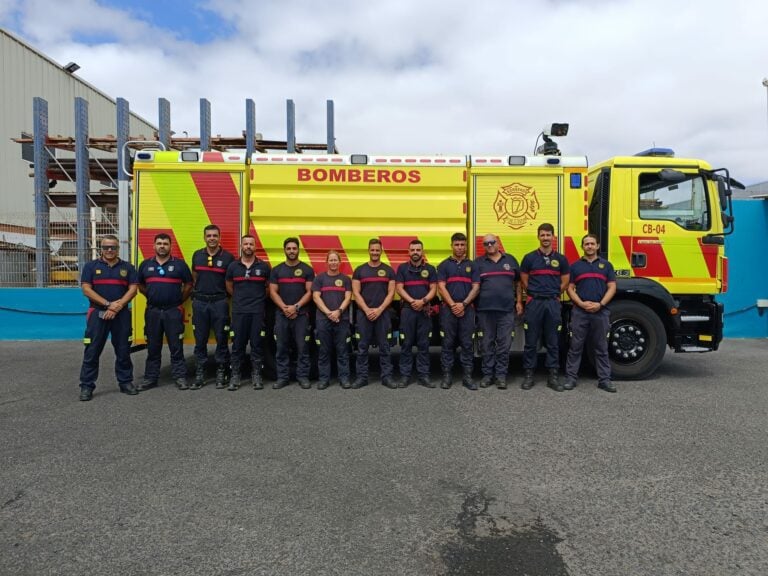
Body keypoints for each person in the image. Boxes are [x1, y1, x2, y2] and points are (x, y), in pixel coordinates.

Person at [77, 235, 139, 401]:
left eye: (113, 247)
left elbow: (133, 289)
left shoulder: (128, 268)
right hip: (97, 313)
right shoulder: (90, 267)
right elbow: (86, 289)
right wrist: (108, 304)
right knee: (92, 351)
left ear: (118, 248)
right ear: (101, 249)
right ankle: (86, 386)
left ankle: (125, 382)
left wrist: (118, 306)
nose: (109, 250)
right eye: (106, 247)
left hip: (121, 314)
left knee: (123, 350)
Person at [137, 233, 193, 391]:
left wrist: (178, 300)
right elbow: (140, 285)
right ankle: (150, 378)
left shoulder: (180, 265)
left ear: (170, 246)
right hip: (153, 311)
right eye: (159, 243)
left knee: (176, 346)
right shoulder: (145, 265)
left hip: (173, 311)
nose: (162, 246)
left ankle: (180, 377)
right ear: (154, 246)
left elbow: (189, 284)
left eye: (165, 244)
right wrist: (151, 295)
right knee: (153, 347)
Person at [520, 223, 570, 391]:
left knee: (553, 341)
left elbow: (565, 281)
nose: (545, 238)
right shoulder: (529, 258)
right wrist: (533, 292)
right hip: (534, 303)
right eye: (542, 235)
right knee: (531, 342)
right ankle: (529, 375)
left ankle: (553, 376)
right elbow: (524, 279)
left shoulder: (561, 259)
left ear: (553, 237)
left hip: (552, 303)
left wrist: (554, 293)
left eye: (548, 235)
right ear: (538, 237)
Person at [565, 234, 617, 392]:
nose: (589, 246)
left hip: (600, 312)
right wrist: (580, 303)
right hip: (580, 312)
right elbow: (569, 288)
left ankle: (604, 380)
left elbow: (612, 287)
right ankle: (571, 379)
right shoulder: (575, 266)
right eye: (586, 244)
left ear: (597, 246)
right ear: (582, 247)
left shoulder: (606, 265)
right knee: (575, 346)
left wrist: (600, 304)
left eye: (592, 244)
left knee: (601, 347)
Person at [474, 233, 522, 389]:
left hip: (506, 310)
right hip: (485, 310)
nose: (489, 245)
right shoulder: (478, 263)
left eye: (492, 242)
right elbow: (474, 286)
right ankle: (487, 375)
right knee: (486, 344)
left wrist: (519, 301)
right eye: (486, 243)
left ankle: (501, 376)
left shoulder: (510, 260)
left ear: (498, 243)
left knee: (504, 345)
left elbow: (518, 283)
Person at [191, 224, 235, 389]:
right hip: (200, 302)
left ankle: (221, 371)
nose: (212, 238)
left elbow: (230, 281)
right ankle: (200, 372)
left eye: (215, 236)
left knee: (222, 338)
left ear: (219, 238)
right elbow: (194, 277)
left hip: (219, 302)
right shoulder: (197, 255)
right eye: (209, 236)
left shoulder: (228, 257)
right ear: (204, 238)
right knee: (200, 339)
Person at [225, 234, 271, 391]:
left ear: (255, 247)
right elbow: (229, 285)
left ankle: (256, 375)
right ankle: (235, 376)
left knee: (257, 344)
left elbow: (268, 288)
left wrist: (257, 300)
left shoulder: (263, 267)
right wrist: (239, 298)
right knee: (237, 345)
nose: (248, 247)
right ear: (241, 246)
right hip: (239, 311)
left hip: (257, 311)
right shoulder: (233, 266)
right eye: (246, 244)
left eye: (251, 244)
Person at [269, 237, 314, 389]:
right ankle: (283, 378)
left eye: (294, 248)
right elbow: (273, 292)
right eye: (289, 248)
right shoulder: (277, 270)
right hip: (282, 315)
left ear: (298, 250)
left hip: (301, 315)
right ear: (284, 250)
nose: (291, 251)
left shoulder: (307, 270)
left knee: (302, 347)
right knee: (281, 347)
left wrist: (296, 307)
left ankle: (303, 377)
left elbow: (309, 292)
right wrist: (285, 308)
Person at [437, 232, 480, 390]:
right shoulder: (443, 265)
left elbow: (476, 287)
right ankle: (447, 376)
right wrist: (453, 305)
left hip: (467, 310)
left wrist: (463, 304)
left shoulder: (473, 265)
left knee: (467, 344)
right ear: (451, 246)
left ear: (466, 246)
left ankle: (467, 377)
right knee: (447, 343)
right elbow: (441, 287)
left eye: (462, 245)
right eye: (457, 245)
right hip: (448, 311)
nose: (460, 247)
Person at [352, 238, 397, 389]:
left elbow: (391, 293)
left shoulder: (389, 270)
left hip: (383, 314)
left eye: (377, 250)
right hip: (364, 314)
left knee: (385, 347)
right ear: (368, 251)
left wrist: (379, 309)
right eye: (372, 250)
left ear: (381, 251)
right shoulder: (359, 270)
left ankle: (387, 377)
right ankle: (362, 377)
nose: (375, 252)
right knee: (362, 347)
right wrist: (366, 310)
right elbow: (356, 293)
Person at [396, 239, 437, 388]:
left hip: (424, 311)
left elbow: (434, 289)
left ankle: (423, 376)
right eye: (412, 250)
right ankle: (405, 376)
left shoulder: (430, 269)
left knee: (423, 345)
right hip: (408, 310)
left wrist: (423, 301)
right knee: (406, 344)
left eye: (418, 250)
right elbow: (399, 288)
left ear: (422, 252)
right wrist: (413, 301)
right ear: (409, 252)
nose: (415, 252)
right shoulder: (402, 268)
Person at [312, 250, 353, 389]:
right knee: (324, 351)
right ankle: (324, 379)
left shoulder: (346, 279)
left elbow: (348, 297)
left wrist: (339, 311)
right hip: (323, 319)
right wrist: (329, 313)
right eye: (331, 260)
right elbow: (316, 297)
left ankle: (344, 378)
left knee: (343, 351)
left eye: (336, 260)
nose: (333, 262)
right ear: (327, 262)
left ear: (340, 262)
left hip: (342, 319)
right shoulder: (319, 279)